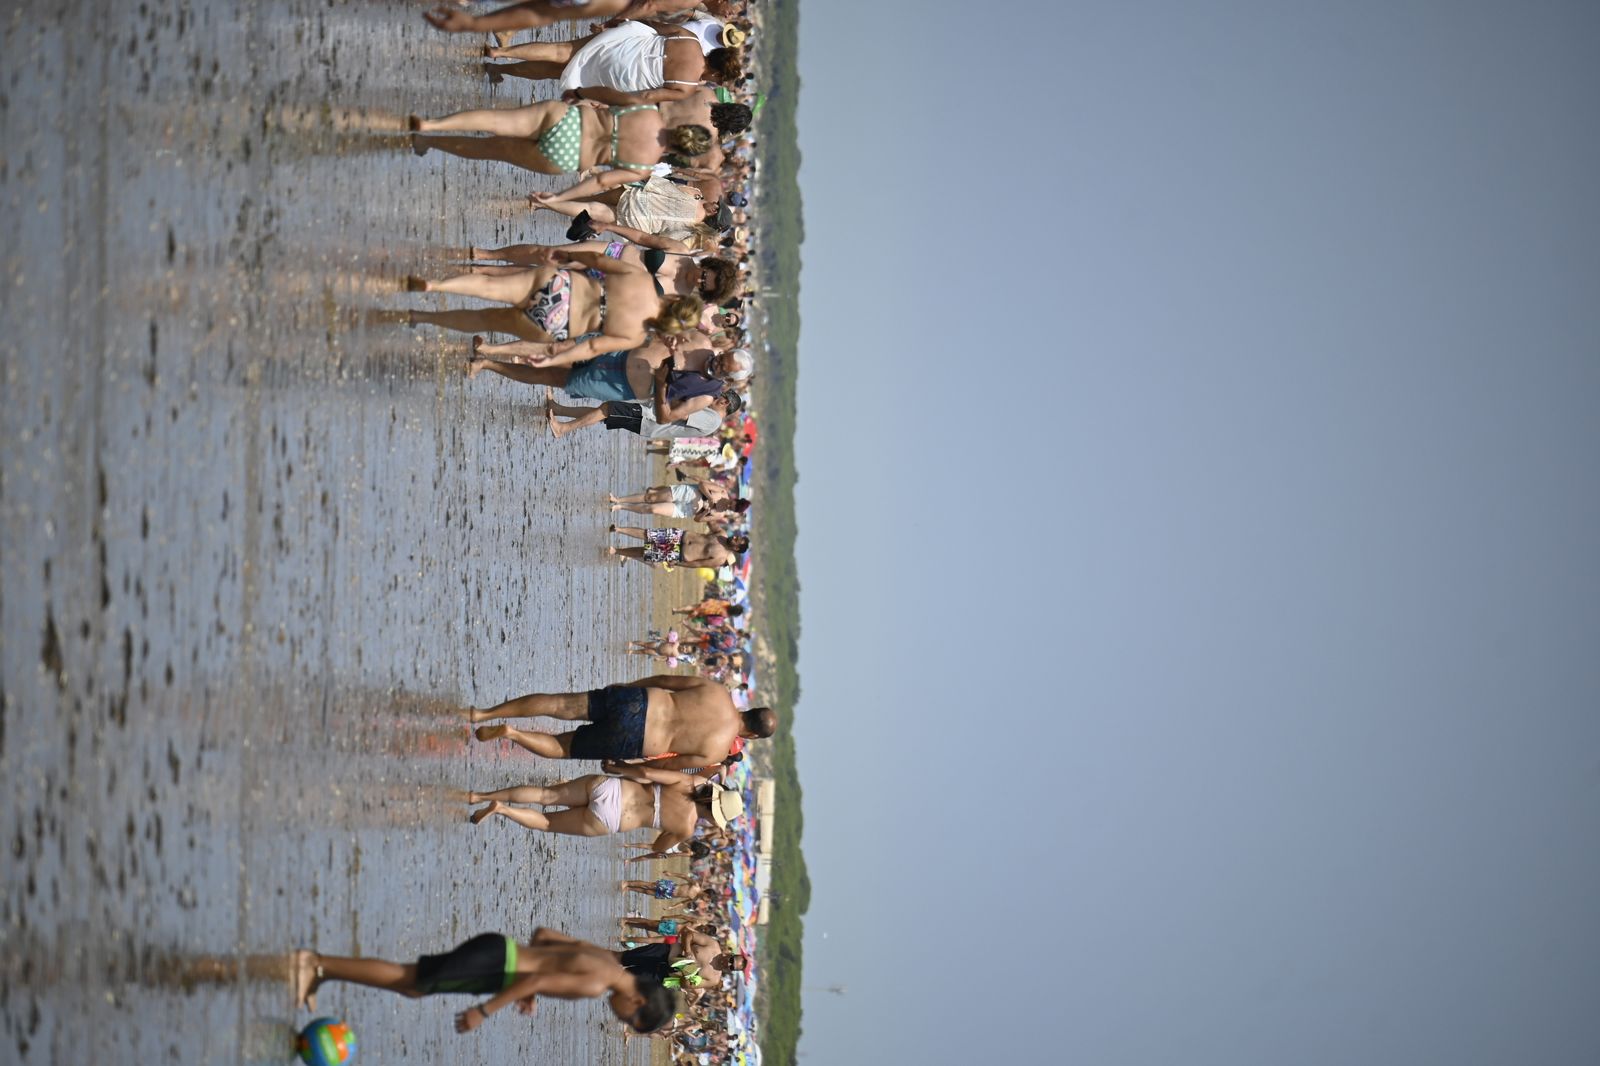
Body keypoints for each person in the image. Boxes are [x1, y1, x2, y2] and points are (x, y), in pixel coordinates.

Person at [289, 933, 673, 1034]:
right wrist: (483, 1011)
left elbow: (543, 937)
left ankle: (323, 974)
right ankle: (316, 963)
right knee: (409, 981)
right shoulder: (595, 986)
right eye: (628, 1019)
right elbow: (538, 976)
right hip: (494, 968)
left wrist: (532, 992)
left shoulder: (607, 960)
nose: (620, 1018)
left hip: (499, 950)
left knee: (411, 983)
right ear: (638, 1002)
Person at [469, 675, 777, 768]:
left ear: (751, 709)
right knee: (563, 748)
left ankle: (484, 714)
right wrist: (627, 769)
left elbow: (666, 679)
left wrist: (629, 687)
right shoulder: (718, 752)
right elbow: (669, 764)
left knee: (559, 703)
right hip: (638, 740)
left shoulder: (718, 691)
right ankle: (512, 733)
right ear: (751, 736)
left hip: (641, 701)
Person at [409, 99, 710, 179]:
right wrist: (559, 199)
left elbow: (608, 95)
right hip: (568, 156)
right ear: (682, 154)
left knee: (498, 121)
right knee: (492, 149)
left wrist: (580, 93)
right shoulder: (645, 166)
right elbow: (600, 182)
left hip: (570, 119)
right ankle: (429, 142)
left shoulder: (648, 112)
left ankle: (432, 124)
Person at [466, 767, 744, 845]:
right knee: (548, 823)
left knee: (546, 795)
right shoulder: (686, 828)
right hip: (612, 819)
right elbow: (658, 847)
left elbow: (647, 773)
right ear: (714, 816)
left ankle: (480, 796)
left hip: (615, 788)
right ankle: (503, 810)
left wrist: (618, 767)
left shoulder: (688, 782)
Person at [484, 21, 743, 102]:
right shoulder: (687, 87)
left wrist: (618, 24)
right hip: (619, 75)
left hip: (624, 45)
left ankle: (501, 52)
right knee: (557, 72)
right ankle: (499, 68)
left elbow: (653, 25)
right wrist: (605, 101)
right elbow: (646, 96)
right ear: (717, 74)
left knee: (562, 51)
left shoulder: (690, 39)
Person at [547, 387, 742, 441]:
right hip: (649, 414)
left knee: (607, 409)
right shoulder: (711, 417)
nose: (715, 395)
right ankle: (559, 409)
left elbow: (682, 414)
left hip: (649, 420)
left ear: (724, 402)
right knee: (605, 410)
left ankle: (563, 429)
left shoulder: (712, 419)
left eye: (719, 395)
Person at [609, 526, 746, 568]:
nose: (734, 537)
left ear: (736, 549)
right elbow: (707, 520)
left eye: (737, 540)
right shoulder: (721, 534)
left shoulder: (720, 559)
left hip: (678, 553)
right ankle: (619, 529)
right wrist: (706, 510)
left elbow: (698, 564)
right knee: (648, 534)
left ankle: (616, 551)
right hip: (680, 536)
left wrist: (678, 563)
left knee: (644, 552)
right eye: (736, 536)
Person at [608, 480, 744, 520]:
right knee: (651, 498)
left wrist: (705, 512)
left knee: (653, 509)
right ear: (735, 500)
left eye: (731, 509)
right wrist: (709, 497)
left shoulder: (720, 515)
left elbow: (698, 520)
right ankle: (618, 499)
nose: (729, 507)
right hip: (689, 493)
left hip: (686, 510)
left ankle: (621, 507)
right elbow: (702, 484)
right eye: (732, 504)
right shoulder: (722, 491)